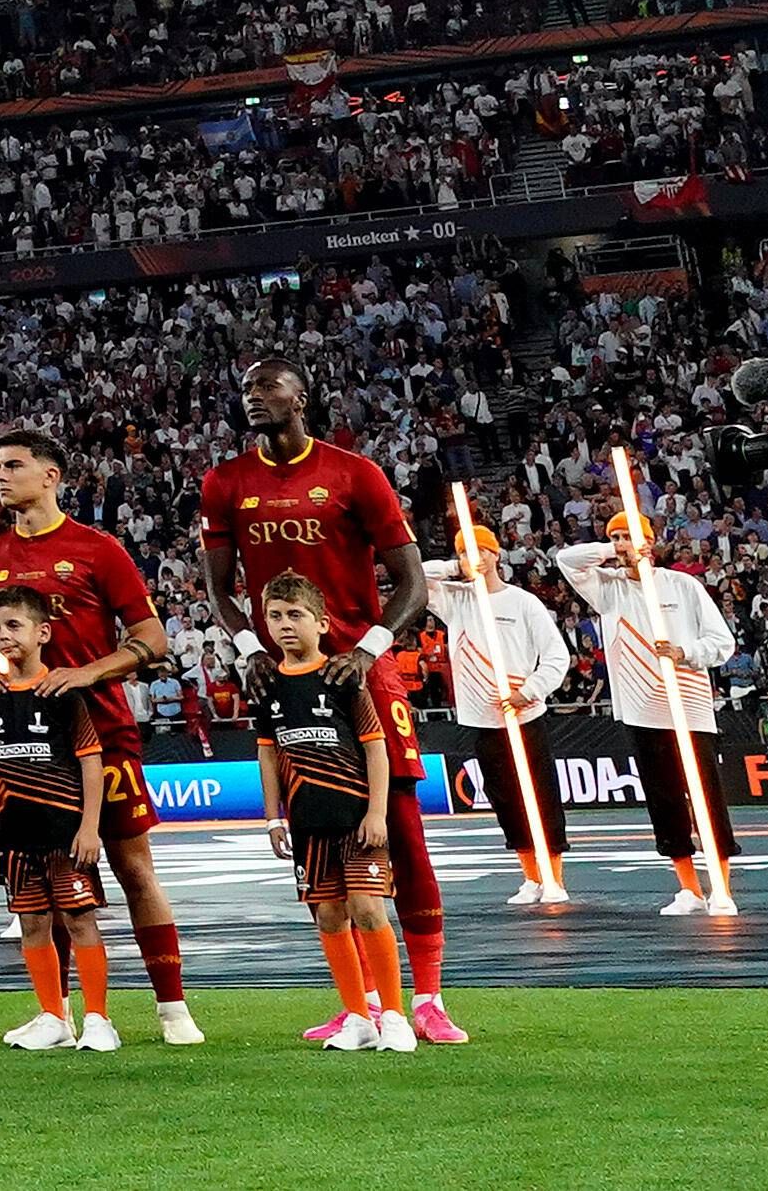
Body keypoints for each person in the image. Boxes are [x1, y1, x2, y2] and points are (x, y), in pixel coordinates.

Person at [193, 358, 446, 1042]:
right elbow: (220, 589)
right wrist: (250, 651)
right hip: (285, 676)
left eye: (267, 386)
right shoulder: (224, 482)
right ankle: (357, 1000)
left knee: (400, 832)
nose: (253, 397)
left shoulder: (354, 472)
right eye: (244, 387)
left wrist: (366, 649)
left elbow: (411, 582)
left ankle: (427, 997)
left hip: (362, 671)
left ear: (302, 396)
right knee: (315, 841)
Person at [0, 427, 201, 1040]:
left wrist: (87, 673)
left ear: (51, 476)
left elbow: (152, 640)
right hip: (25, 747)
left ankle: (172, 1007)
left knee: (132, 866)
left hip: (101, 731)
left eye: (13, 465)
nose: (0, 475)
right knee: (42, 882)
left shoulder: (97, 549)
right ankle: (59, 1015)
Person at [551, 514, 742, 914]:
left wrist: (685, 653)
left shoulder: (682, 585)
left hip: (688, 708)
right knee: (664, 799)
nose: (620, 543)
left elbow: (722, 642)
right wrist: (612, 549)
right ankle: (688, 887)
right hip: (640, 710)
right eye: (614, 537)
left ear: (650, 543)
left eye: (627, 536)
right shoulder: (607, 589)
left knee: (706, 797)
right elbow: (566, 560)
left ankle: (721, 888)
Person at [255, 574, 410, 1053]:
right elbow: (267, 754)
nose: (285, 625)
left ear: (321, 623)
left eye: (295, 615)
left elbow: (376, 749)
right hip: (307, 824)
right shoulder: (268, 687)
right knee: (328, 915)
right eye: (276, 616)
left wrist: (377, 813)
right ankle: (358, 1017)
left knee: (367, 908)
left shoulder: (343, 679)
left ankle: (396, 1018)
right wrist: (273, 817)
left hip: (357, 819)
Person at [0, 586, 114, 1052]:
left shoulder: (63, 692)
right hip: (14, 833)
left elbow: (92, 761)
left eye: (14, 625)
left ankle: (97, 1018)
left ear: (42, 631)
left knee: (80, 919)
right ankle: (52, 1015)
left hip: (64, 832)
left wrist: (89, 827)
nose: (4, 636)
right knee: (32, 924)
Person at [420, 534, 577, 908]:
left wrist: (531, 690)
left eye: (480, 551)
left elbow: (556, 656)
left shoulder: (523, 602)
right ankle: (530, 877)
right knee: (505, 799)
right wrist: (455, 568)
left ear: (496, 555)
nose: (474, 558)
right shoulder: (456, 600)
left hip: (523, 714)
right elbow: (416, 576)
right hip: (482, 720)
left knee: (540, 796)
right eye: (464, 552)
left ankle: (554, 877)